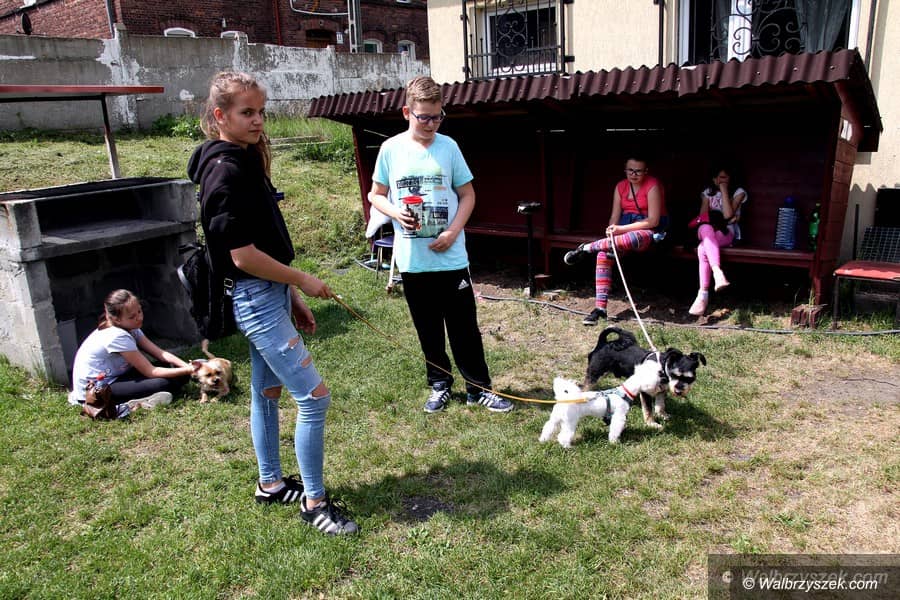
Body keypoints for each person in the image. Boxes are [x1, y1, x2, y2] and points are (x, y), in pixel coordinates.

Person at [187, 71, 357, 535]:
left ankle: (271, 484)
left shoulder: (243, 159)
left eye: (261, 111)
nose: (258, 120)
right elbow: (242, 256)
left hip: (270, 295)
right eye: (247, 112)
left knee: (267, 393)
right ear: (220, 115)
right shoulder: (224, 172)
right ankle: (315, 504)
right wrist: (302, 279)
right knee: (314, 399)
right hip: (255, 300)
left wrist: (292, 294)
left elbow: (263, 246)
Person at [367, 75, 514, 415]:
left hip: (451, 258)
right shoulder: (391, 150)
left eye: (437, 117)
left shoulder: (448, 147)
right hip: (413, 260)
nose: (432, 124)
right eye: (424, 117)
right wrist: (395, 213)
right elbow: (376, 195)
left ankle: (479, 388)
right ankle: (439, 385)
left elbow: (468, 195)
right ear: (407, 112)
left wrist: (452, 232)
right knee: (428, 329)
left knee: (464, 328)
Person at [564, 157, 667, 325]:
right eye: (630, 170)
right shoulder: (620, 186)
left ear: (646, 172)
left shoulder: (652, 185)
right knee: (603, 254)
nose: (634, 174)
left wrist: (620, 229)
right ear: (625, 170)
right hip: (623, 231)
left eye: (638, 171)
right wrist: (611, 229)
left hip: (647, 231)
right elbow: (614, 216)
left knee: (634, 237)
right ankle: (600, 309)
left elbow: (653, 221)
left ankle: (586, 248)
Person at [68, 289, 192, 411]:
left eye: (139, 311)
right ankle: (129, 403)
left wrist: (187, 367)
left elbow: (160, 353)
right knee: (163, 383)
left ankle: (145, 397)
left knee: (175, 370)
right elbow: (150, 371)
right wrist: (190, 370)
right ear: (117, 319)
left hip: (118, 377)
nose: (139, 317)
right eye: (132, 316)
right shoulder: (117, 336)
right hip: (96, 391)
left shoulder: (131, 327)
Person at [687, 165, 748, 316]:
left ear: (731, 178)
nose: (720, 181)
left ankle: (703, 295)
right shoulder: (707, 193)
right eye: (717, 177)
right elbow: (703, 217)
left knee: (702, 248)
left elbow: (728, 215)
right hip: (708, 229)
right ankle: (717, 272)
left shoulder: (739, 192)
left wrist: (724, 191)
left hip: (726, 232)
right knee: (705, 228)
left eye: (723, 177)